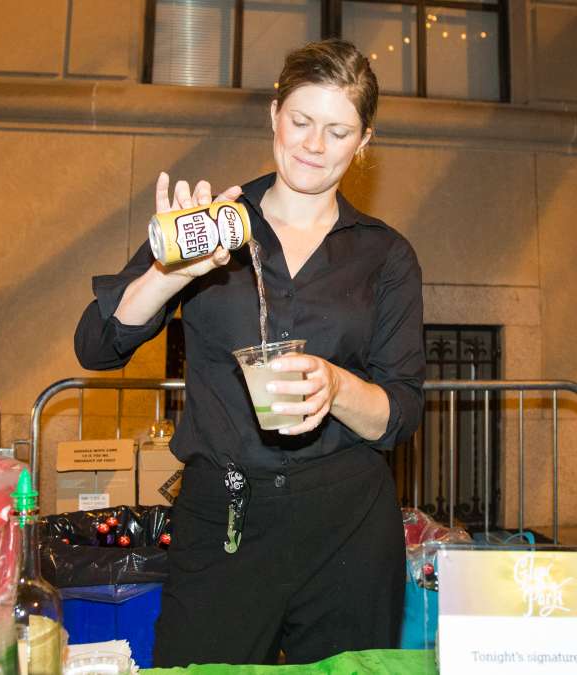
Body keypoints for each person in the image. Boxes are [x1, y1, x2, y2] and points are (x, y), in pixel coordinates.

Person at [74, 39, 424, 666]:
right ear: (273, 115)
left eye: (338, 130)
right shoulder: (213, 223)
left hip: (348, 527)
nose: (314, 145)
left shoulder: (385, 255)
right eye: (301, 120)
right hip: (223, 520)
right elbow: (96, 347)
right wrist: (169, 273)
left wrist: (337, 387)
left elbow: (399, 414)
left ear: (364, 141)